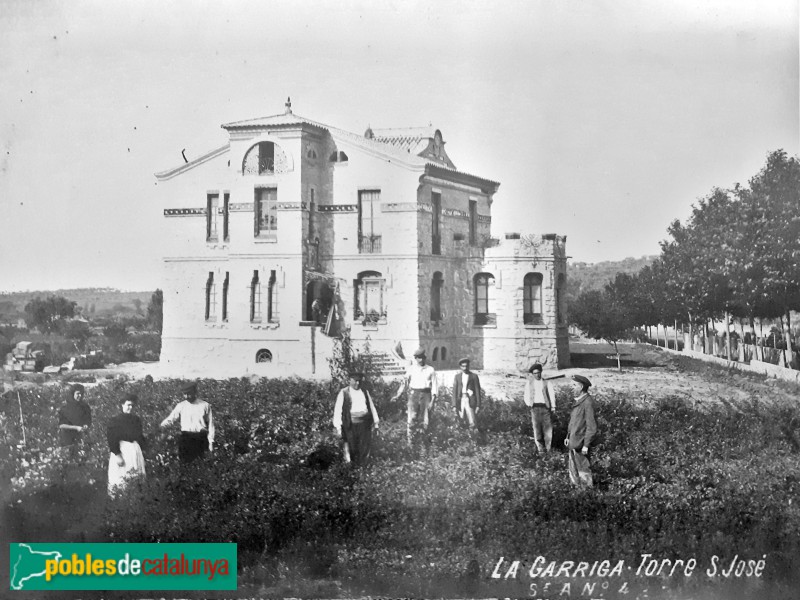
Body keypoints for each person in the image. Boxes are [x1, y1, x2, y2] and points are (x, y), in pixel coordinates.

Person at [391, 347, 438, 449]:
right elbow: (404, 382)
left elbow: (434, 386)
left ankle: (424, 443)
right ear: (415, 358)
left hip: (426, 395)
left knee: (425, 418)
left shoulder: (430, 369)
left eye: (422, 357)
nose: (420, 360)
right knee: (412, 418)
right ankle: (411, 443)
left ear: (425, 358)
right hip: (414, 394)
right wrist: (398, 395)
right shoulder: (411, 369)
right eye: (418, 358)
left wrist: (432, 401)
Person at [332, 371, 380, 466]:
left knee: (364, 447)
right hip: (350, 424)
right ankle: (352, 469)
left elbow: (372, 407)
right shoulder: (344, 392)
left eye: (359, 381)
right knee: (352, 447)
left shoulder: (365, 392)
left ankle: (363, 468)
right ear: (349, 380)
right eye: (355, 381)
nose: (357, 383)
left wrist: (376, 423)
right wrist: (338, 427)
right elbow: (337, 410)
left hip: (364, 424)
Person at [160, 381, 214, 463]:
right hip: (186, 439)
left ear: (195, 392)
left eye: (189, 393)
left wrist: (211, 441)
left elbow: (211, 425)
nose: (186, 396)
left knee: (201, 465)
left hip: (200, 438)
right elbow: (171, 419)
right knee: (184, 464)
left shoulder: (205, 405)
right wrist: (162, 426)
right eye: (184, 394)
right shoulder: (181, 406)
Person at [107, 393, 147, 497]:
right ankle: (119, 500)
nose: (130, 408)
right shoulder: (115, 421)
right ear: (122, 405)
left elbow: (139, 436)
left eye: (132, 406)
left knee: (136, 474)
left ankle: (135, 498)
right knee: (121, 477)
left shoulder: (136, 420)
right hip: (122, 450)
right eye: (128, 405)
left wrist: (145, 449)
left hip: (134, 449)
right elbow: (112, 439)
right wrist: (118, 455)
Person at [564, 374, 598, 487]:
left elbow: (592, 427)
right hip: (573, 442)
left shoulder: (587, 402)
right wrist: (568, 437)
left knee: (583, 471)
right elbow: (573, 423)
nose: (572, 388)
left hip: (581, 444)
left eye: (574, 385)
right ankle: (576, 495)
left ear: (582, 386)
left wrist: (586, 445)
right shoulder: (578, 401)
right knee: (573, 471)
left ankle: (587, 495)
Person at [523, 363, 555, 452]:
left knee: (548, 430)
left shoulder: (547, 383)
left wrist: (553, 407)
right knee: (537, 430)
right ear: (532, 374)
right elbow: (526, 395)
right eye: (535, 373)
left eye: (538, 372)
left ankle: (548, 450)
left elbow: (552, 395)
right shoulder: (529, 383)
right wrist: (529, 404)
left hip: (545, 408)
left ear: (541, 372)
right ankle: (541, 450)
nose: (537, 375)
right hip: (535, 409)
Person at [452, 358, 482, 433]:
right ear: (460, 367)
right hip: (460, 399)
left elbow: (477, 391)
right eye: (463, 366)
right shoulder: (457, 377)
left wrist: (478, 405)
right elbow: (454, 391)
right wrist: (454, 405)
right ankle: (463, 437)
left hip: (469, 399)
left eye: (466, 366)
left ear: (469, 366)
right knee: (461, 418)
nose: (465, 368)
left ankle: (474, 437)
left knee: (472, 418)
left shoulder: (473, 376)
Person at [58, 383, 92, 447]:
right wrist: (76, 428)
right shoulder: (65, 408)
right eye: (78, 393)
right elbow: (61, 425)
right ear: (73, 393)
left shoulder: (85, 407)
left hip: (81, 437)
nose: (80, 395)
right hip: (67, 438)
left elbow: (88, 420)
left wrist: (86, 425)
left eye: (82, 393)